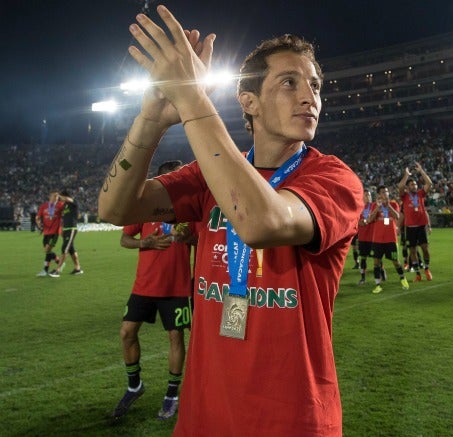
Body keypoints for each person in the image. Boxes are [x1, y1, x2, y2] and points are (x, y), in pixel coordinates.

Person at [98, 7, 362, 435]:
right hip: (204, 416)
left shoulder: (335, 179)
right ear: (248, 100)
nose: (308, 96)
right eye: (289, 82)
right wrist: (151, 117)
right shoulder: (210, 174)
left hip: (292, 420)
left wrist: (192, 99)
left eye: (315, 85)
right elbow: (115, 208)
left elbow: (259, 223)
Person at [111, 160, 196, 421]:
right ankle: (134, 385)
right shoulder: (145, 209)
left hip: (177, 287)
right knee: (127, 332)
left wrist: (188, 238)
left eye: (175, 178)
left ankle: (171, 395)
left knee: (175, 338)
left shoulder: (192, 209)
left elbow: (203, 239)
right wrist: (143, 242)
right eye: (166, 179)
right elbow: (124, 239)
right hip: (144, 285)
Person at [367, 186, 409, 294]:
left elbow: (397, 216)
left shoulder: (394, 204)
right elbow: (370, 219)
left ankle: (403, 279)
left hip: (391, 239)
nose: (385, 193)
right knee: (376, 262)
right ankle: (377, 285)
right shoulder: (374, 205)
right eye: (382, 192)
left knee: (396, 261)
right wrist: (378, 207)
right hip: (377, 240)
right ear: (379, 195)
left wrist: (388, 205)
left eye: (386, 191)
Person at [398, 162, 433, 281]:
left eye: (415, 184)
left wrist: (421, 171)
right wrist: (406, 175)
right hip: (410, 227)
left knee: (425, 249)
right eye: (412, 185)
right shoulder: (405, 196)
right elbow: (400, 187)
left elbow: (429, 183)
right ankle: (418, 273)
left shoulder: (420, 194)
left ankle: (427, 269)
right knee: (412, 251)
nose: (414, 186)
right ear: (408, 187)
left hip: (421, 226)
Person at [48, 190, 83, 277]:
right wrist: (62, 228)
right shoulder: (65, 205)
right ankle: (77, 268)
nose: (61, 199)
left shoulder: (73, 202)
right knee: (71, 250)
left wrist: (58, 195)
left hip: (72, 229)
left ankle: (58, 270)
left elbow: (68, 199)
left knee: (64, 248)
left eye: (62, 197)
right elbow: (65, 217)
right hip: (66, 229)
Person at [35, 191, 63, 277]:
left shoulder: (60, 205)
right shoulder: (44, 206)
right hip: (46, 232)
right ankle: (59, 262)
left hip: (55, 232)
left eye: (58, 197)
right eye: (55, 196)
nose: (56, 198)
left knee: (47, 250)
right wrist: (38, 222)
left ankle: (45, 270)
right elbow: (38, 217)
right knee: (48, 251)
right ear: (50, 196)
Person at [356, 189, 374, 285]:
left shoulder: (374, 206)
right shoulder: (359, 208)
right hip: (363, 238)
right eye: (366, 195)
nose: (368, 197)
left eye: (369, 195)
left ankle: (381, 274)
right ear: (362, 197)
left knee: (377, 258)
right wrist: (360, 222)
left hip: (373, 237)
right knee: (363, 258)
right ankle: (362, 278)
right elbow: (355, 220)